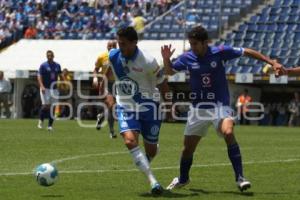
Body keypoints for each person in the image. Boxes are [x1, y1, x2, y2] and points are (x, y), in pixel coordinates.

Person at [161, 25, 282, 192]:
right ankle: (183, 179)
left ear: (205, 43)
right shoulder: (187, 57)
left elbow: (246, 51)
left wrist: (271, 62)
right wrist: (166, 58)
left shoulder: (220, 51)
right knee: (188, 148)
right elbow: (169, 72)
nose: (192, 47)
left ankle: (240, 177)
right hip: (198, 109)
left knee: (228, 132)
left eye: (195, 43)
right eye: (191, 43)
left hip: (220, 104)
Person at [108, 27, 166, 195]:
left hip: (150, 106)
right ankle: (153, 181)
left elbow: (162, 83)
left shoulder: (148, 61)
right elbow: (107, 73)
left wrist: (168, 105)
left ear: (134, 43)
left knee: (151, 150)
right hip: (126, 106)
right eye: (119, 43)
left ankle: (149, 152)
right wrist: (107, 92)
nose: (121, 47)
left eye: (124, 44)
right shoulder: (113, 56)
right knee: (130, 141)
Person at [93, 40, 118, 138]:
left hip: (119, 84)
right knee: (111, 106)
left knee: (113, 107)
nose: (111, 47)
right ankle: (112, 132)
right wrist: (95, 78)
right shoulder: (102, 57)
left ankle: (101, 116)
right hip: (106, 84)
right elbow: (95, 69)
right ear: (107, 47)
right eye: (109, 45)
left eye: (114, 45)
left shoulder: (122, 56)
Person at [37, 50, 62, 131]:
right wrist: (42, 86)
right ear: (46, 56)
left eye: (51, 55)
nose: (49, 57)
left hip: (54, 89)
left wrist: (62, 84)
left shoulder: (57, 65)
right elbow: (39, 76)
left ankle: (50, 126)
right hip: (46, 88)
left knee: (53, 107)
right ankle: (40, 121)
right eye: (48, 56)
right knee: (45, 106)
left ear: (53, 56)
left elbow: (60, 75)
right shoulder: (43, 65)